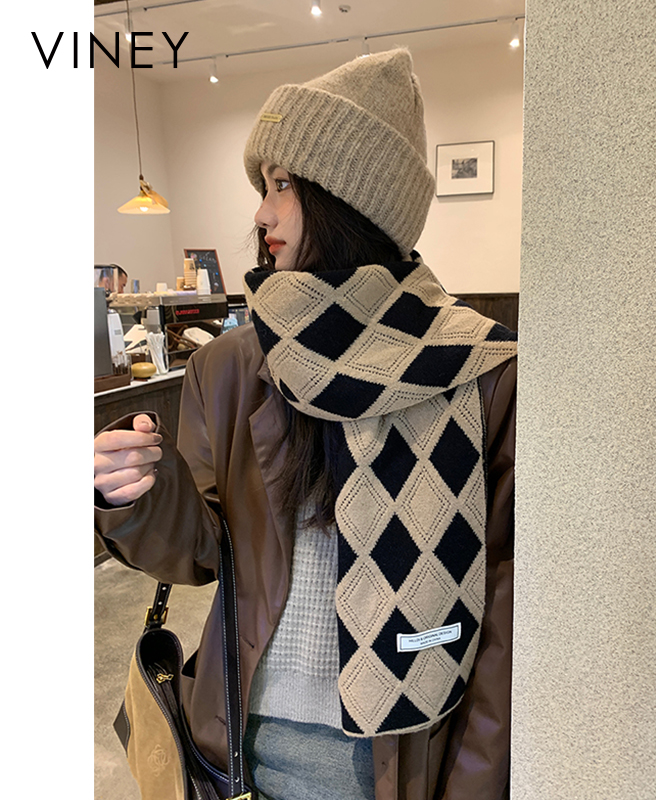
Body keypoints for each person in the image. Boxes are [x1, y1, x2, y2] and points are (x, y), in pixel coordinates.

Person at [94, 48, 517, 800]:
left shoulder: (481, 373)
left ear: (353, 198)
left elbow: (507, 624)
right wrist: (135, 496)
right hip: (241, 756)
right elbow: (201, 553)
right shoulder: (230, 367)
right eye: (263, 186)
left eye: (283, 184)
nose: (261, 213)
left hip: (399, 766)